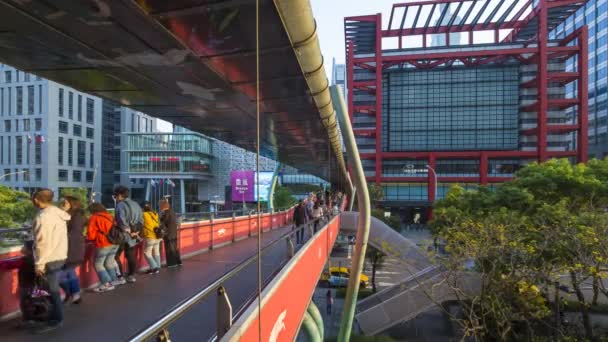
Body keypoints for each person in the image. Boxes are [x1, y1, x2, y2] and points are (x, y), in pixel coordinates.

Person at [31, 189, 70, 333]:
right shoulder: (56, 213)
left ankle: (56, 319)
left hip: (49, 258)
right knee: (52, 289)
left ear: (36, 199)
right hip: (59, 255)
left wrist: (39, 264)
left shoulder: (43, 217)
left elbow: (43, 243)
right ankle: (53, 316)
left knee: (52, 291)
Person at [87, 202, 122, 292]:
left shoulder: (94, 218)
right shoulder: (109, 216)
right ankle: (114, 280)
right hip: (115, 242)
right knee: (109, 262)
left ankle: (106, 283)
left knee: (98, 264)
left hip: (103, 243)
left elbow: (91, 235)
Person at [113, 186, 143, 283]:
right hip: (134, 235)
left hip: (122, 235)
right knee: (131, 255)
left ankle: (120, 276)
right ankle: (131, 275)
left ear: (120, 195)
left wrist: (128, 230)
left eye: (115, 196)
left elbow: (121, 220)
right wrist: (136, 231)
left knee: (115, 256)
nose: (115, 198)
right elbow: (141, 221)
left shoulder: (120, 205)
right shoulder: (136, 204)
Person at [58, 196, 85, 305]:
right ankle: (75, 294)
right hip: (72, 248)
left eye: (65, 202)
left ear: (72, 204)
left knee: (62, 272)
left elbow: (73, 233)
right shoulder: (73, 215)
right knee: (69, 271)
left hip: (71, 248)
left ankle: (70, 293)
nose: (62, 203)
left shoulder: (76, 216)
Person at [160, 199, 181, 267]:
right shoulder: (173, 212)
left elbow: (163, 222)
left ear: (162, 206)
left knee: (169, 248)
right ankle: (178, 261)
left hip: (168, 234)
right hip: (174, 232)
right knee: (175, 248)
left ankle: (172, 263)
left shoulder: (166, 213)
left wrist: (161, 219)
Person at [142, 201, 161, 274]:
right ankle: (157, 267)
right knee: (156, 251)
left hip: (150, 236)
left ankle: (154, 267)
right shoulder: (155, 213)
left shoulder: (143, 214)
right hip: (157, 236)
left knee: (147, 253)